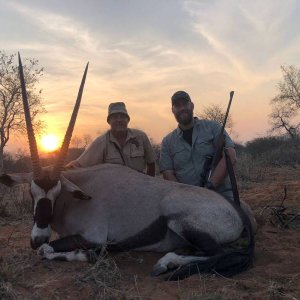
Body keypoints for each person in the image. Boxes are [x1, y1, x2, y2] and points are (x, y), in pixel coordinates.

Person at [159, 91, 236, 201]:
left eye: (185, 104)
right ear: (173, 110)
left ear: (192, 105)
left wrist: (211, 185)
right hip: (188, 200)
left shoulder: (213, 127)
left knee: (239, 214)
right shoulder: (167, 142)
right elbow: (167, 173)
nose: (182, 109)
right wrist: (184, 196)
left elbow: (230, 154)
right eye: (177, 106)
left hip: (221, 194)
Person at [66, 102, 156, 176]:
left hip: (140, 185)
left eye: (122, 116)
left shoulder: (141, 137)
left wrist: (149, 183)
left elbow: (151, 163)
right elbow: (79, 164)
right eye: (115, 117)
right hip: (114, 191)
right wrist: (61, 170)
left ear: (128, 120)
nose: (119, 120)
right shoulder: (100, 142)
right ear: (109, 121)